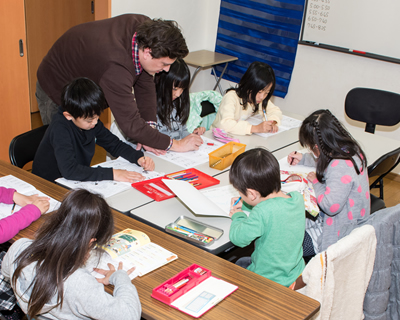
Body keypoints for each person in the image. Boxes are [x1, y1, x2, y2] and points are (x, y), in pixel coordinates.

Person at [36, 14, 193, 155]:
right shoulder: (116, 67)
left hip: (89, 74)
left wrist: (149, 130)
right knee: (68, 155)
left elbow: (145, 82)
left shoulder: (145, 29)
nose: (167, 70)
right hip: (56, 84)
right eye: (164, 64)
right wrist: (175, 144)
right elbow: (130, 123)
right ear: (147, 52)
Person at [1, 189, 141, 319]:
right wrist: (120, 277)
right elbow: (130, 315)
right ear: (90, 242)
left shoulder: (19, 248)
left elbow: (7, 274)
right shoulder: (78, 282)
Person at [32, 78, 154, 183]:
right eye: (90, 120)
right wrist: (113, 174)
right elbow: (70, 170)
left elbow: (114, 144)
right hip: (48, 185)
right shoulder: (60, 128)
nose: (95, 123)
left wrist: (138, 157)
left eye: (97, 117)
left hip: (71, 181)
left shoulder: (89, 121)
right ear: (69, 116)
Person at [287, 109, 370, 256]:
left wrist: (316, 183)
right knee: (294, 221)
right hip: (352, 223)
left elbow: (331, 206)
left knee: (288, 239)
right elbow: (326, 160)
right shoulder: (350, 150)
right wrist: (305, 158)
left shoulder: (339, 165)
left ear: (318, 148)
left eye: (311, 148)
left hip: (339, 235)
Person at [229, 148, 305, 288]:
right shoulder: (297, 198)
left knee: (236, 265)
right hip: (295, 274)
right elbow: (275, 209)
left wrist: (237, 215)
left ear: (252, 194)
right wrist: (246, 205)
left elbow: (238, 238)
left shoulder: (262, 212)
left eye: (241, 193)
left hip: (268, 280)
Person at [211, 61, 282, 135]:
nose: (262, 97)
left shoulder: (258, 99)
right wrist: (255, 128)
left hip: (237, 138)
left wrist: (272, 122)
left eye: (267, 93)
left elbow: (275, 111)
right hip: (218, 137)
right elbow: (225, 125)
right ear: (249, 85)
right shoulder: (231, 97)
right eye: (260, 92)